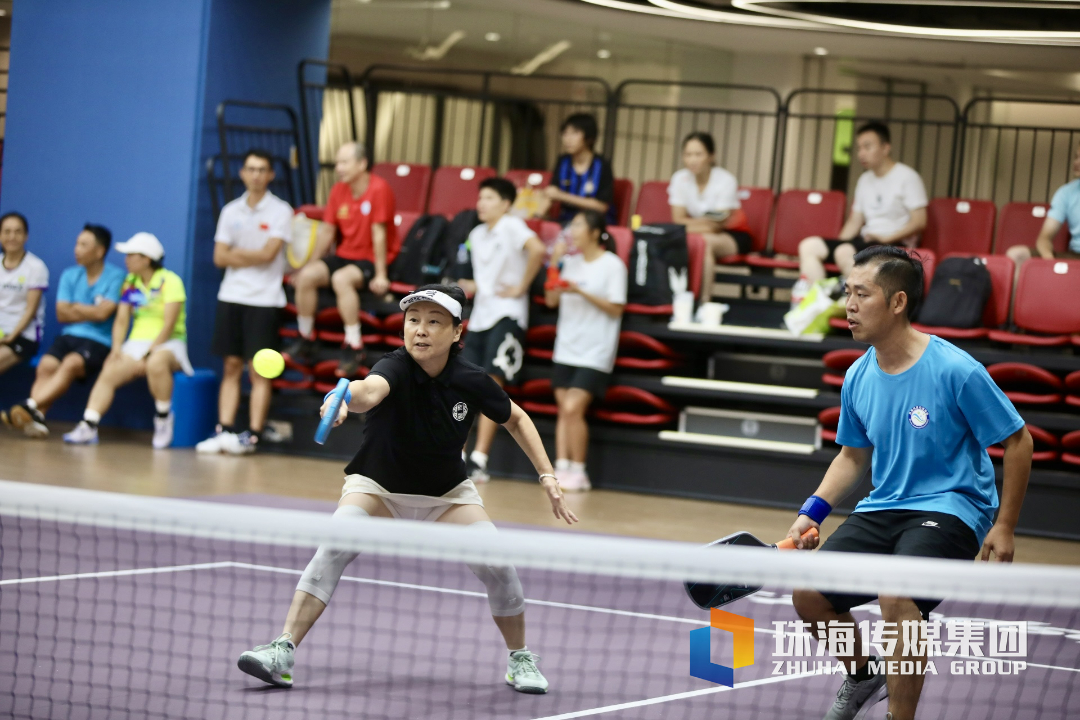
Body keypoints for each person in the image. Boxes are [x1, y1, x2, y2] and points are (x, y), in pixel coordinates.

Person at [237, 285, 577, 694]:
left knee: (499, 564)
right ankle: (282, 650)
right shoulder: (394, 367)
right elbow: (368, 390)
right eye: (414, 320)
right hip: (378, 487)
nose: (420, 330)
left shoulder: (470, 380)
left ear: (456, 332)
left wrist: (547, 475)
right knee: (334, 544)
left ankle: (519, 657)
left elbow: (517, 419)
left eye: (434, 322)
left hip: (446, 495)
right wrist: (342, 401)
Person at [786, 246, 1032, 720]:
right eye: (847, 293)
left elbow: (1019, 443)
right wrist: (811, 513)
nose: (849, 305)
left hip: (954, 506)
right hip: (886, 506)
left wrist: (1005, 526)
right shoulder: (858, 375)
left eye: (862, 293)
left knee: (897, 594)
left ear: (898, 302)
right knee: (809, 594)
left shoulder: (955, 369)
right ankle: (863, 674)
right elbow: (852, 456)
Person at [196, 149, 293, 455]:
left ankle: (251, 435)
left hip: (264, 300)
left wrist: (236, 256)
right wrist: (247, 257)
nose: (255, 175)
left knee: (259, 370)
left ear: (270, 175)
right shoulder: (230, 211)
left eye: (261, 169)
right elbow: (218, 257)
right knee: (231, 365)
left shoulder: (281, 211)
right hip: (231, 296)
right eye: (250, 169)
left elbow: (268, 255)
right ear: (242, 173)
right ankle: (224, 430)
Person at [63, 232, 193, 449]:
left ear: (146, 258)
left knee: (156, 364)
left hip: (169, 343)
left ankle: (162, 419)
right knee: (110, 369)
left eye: (132, 255)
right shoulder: (131, 283)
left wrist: (150, 352)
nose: (126, 260)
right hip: (136, 344)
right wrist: (116, 349)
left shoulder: (171, 281)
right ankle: (89, 424)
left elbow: (169, 324)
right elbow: (122, 320)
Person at [457, 178, 545, 483]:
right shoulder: (477, 234)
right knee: (465, 383)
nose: (482, 203)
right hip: (480, 316)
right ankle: (460, 455)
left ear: (506, 203)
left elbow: (538, 249)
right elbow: (487, 276)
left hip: (507, 315)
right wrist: (472, 287)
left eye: (490, 197)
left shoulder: (512, 226)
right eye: (480, 197)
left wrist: (522, 286)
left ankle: (480, 458)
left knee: (491, 385)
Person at [285, 142, 397, 376]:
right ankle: (306, 336)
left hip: (371, 259)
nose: (339, 168)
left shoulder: (379, 188)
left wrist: (380, 275)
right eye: (337, 163)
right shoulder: (338, 190)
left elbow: (379, 235)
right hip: (344, 254)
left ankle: (354, 345)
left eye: (344, 162)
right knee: (306, 276)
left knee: (340, 279)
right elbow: (327, 232)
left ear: (362, 163)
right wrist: (310, 264)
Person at [2, 224, 124, 438]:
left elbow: (104, 314)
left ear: (100, 251)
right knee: (46, 366)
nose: (76, 249)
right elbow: (62, 313)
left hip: (98, 341)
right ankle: (37, 417)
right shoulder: (70, 274)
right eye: (77, 243)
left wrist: (76, 307)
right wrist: (90, 310)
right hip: (68, 336)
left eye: (84, 245)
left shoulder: (116, 276)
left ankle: (30, 405)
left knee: (71, 364)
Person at [795, 122, 928, 297]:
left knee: (845, 251)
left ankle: (855, 300)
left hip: (895, 244)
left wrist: (887, 237)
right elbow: (855, 221)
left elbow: (920, 221)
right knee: (809, 245)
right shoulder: (864, 179)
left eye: (867, 147)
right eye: (859, 148)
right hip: (866, 242)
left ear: (885, 148)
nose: (861, 153)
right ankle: (820, 300)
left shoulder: (908, 177)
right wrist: (838, 244)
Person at [544, 210, 626, 492]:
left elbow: (616, 308)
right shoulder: (570, 262)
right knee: (563, 411)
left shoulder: (612, 265)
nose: (572, 230)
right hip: (566, 345)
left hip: (595, 349)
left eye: (578, 224)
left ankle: (579, 470)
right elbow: (551, 299)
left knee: (572, 408)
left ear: (594, 232)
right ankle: (560, 467)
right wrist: (554, 264)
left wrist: (581, 292)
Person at [668, 131, 752, 301]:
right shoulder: (679, 179)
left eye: (698, 154)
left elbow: (717, 225)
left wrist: (692, 224)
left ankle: (703, 303)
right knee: (688, 241)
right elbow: (677, 219)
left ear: (711, 156)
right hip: (698, 233)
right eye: (688, 154)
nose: (692, 160)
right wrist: (705, 223)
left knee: (702, 243)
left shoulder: (726, 180)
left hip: (732, 235)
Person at [1005, 144, 1080, 267]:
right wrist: (1050, 263)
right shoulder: (1066, 192)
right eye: (1076, 157)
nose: (1076, 162)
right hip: (1074, 257)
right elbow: (1044, 239)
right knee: (1016, 254)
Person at [536, 113, 616, 226]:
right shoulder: (563, 161)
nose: (568, 139)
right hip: (565, 220)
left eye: (574, 133)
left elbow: (601, 207)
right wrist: (536, 217)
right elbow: (552, 192)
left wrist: (561, 196)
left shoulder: (602, 165)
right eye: (565, 133)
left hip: (594, 223)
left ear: (589, 137)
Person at [0, 213, 47, 376]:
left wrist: (11, 336)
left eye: (17, 232)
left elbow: (30, 310)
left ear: (25, 236)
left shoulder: (36, 267)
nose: (12, 237)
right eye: (6, 231)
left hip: (23, 336)